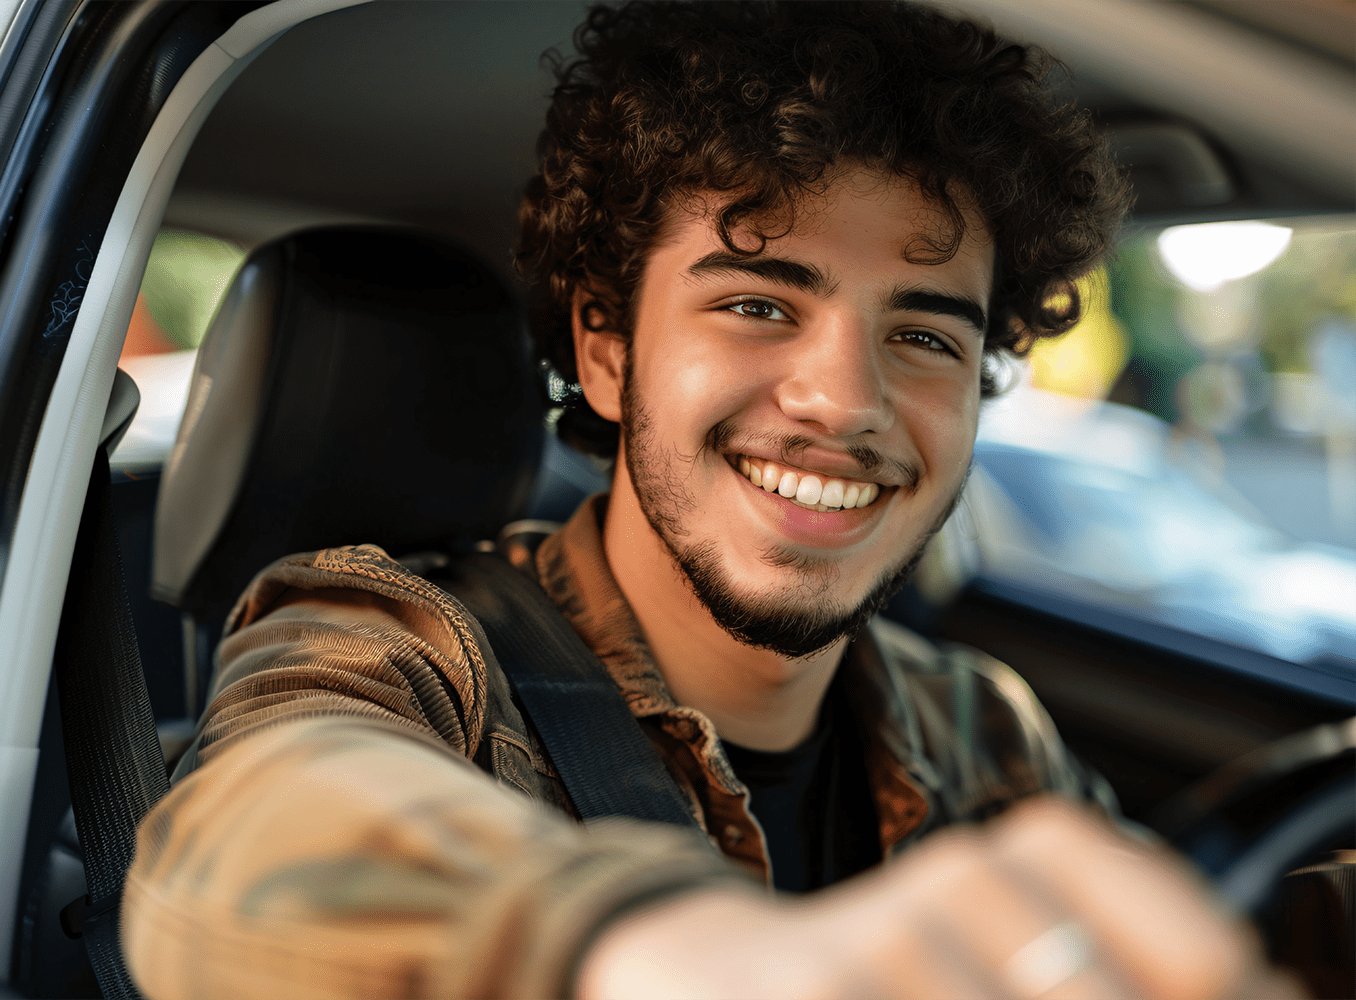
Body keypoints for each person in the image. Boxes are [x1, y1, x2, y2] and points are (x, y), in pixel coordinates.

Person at [121, 3, 1299, 998]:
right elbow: (250, 828)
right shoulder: (399, 639)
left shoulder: (982, 726)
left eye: (924, 333)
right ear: (607, 350)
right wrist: (656, 947)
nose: (845, 400)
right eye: (758, 304)